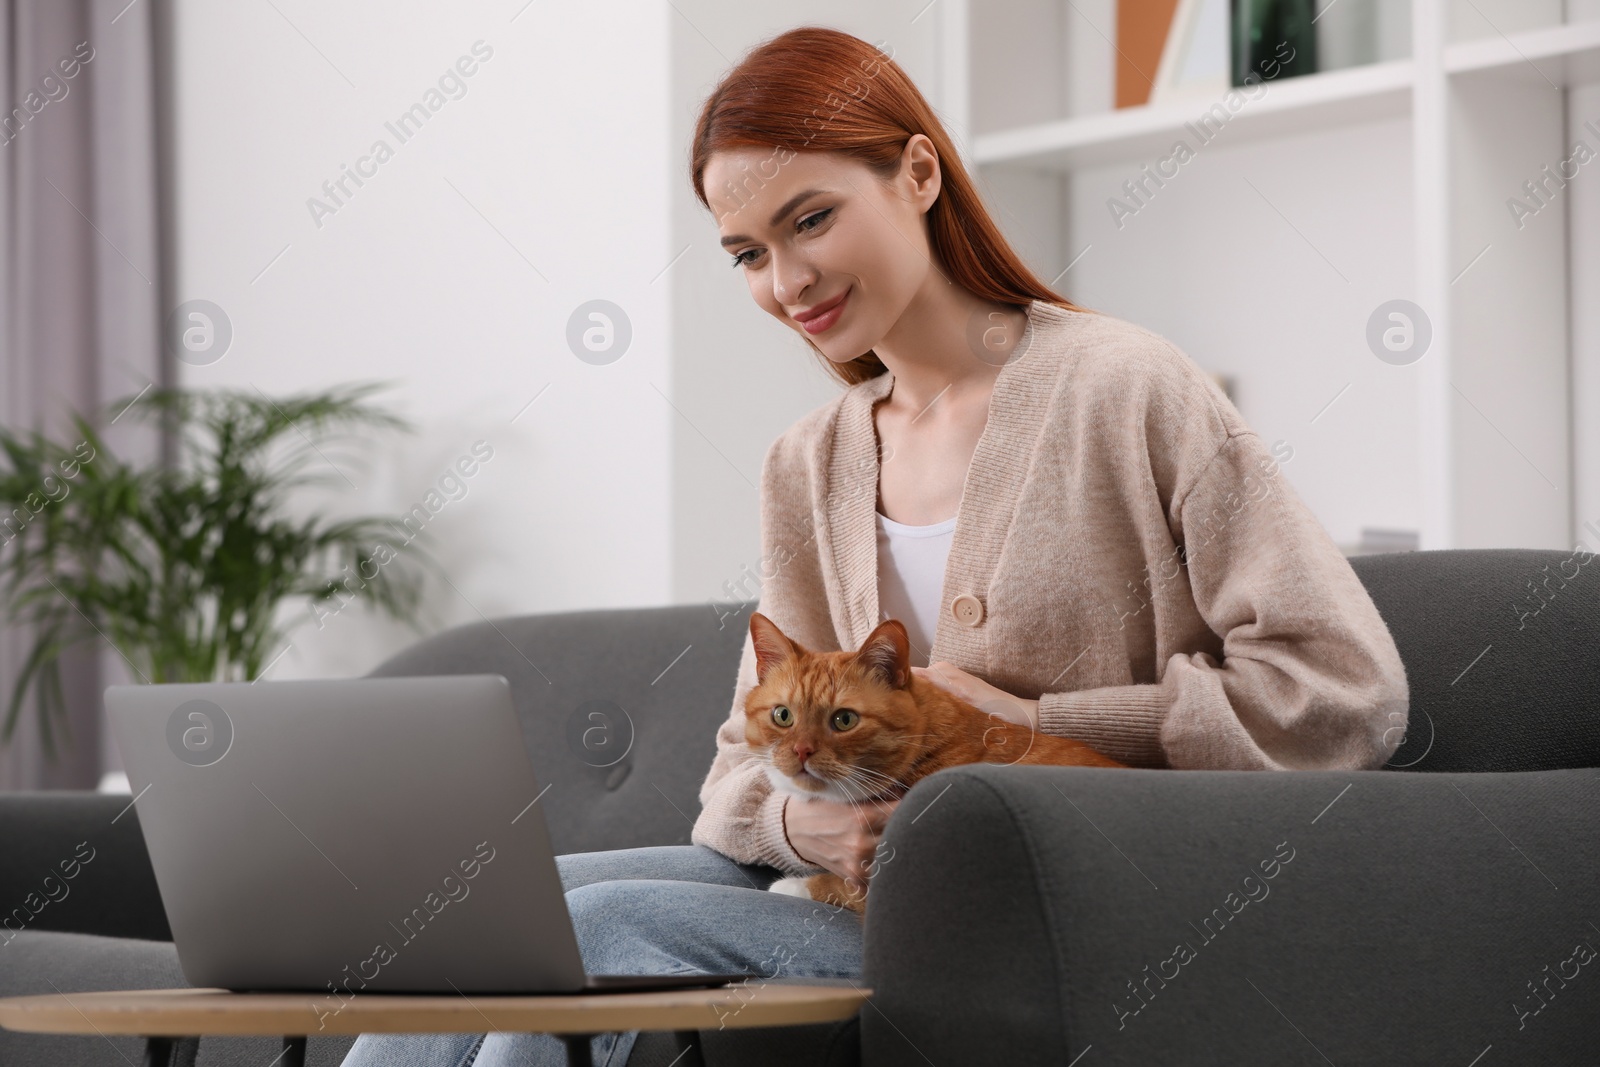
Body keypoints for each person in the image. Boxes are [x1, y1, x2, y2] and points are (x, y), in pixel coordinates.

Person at [340, 24, 1409, 1067]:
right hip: (865, 889)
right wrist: (804, 832)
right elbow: (731, 773)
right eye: (748, 253)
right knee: (496, 912)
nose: (786, 281)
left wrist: (1040, 720)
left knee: (603, 926)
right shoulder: (808, 460)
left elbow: (1341, 689)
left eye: (811, 219)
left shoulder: (1127, 386)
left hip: (1067, 894)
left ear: (916, 173)